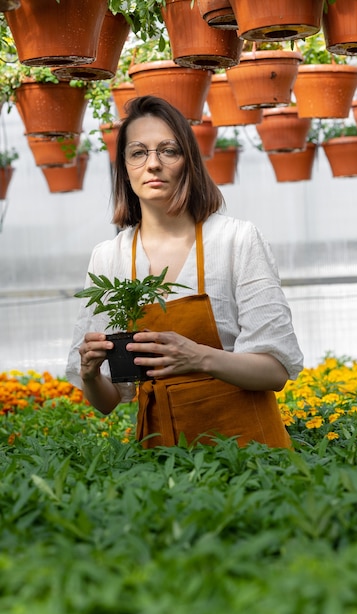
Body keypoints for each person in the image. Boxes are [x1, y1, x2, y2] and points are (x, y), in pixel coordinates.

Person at [66, 95, 303, 448]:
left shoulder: (236, 240)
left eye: (168, 150)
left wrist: (199, 357)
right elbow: (108, 401)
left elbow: (276, 371)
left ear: (188, 161)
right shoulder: (109, 258)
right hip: (163, 464)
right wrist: (89, 374)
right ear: (124, 168)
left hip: (249, 456)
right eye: (138, 153)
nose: (153, 164)